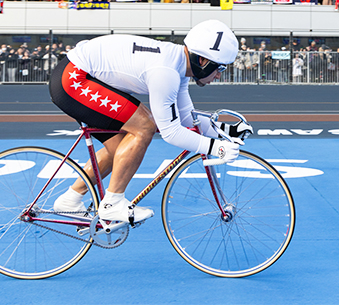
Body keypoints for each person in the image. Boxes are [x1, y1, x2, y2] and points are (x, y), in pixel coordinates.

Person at [48, 20, 251, 224]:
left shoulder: (177, 66)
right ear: (203, 61)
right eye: (220, 69)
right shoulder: (167, 72)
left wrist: (225, 130)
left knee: (121, 151)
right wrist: (216, 148)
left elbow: (187, 117)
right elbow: (170, 131)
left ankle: (70, 200)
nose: (218, 75)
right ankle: (112, 204)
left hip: (76, 75)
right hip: (74, 79)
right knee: (145, 125)